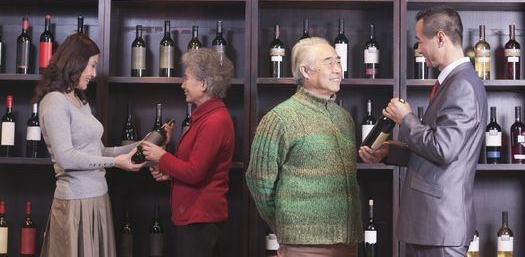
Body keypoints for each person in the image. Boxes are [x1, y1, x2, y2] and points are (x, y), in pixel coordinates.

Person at [360, 7, 487, 256]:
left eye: (420, 41)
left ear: (440, 37)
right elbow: (437, 150)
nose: (418, 50)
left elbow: (444, 149)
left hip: (440, 225)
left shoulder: (462, 85)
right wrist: (388, 153)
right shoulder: (453, 82)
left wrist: (405, 118)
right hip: (432, 225)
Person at [246, 37, 362, 257]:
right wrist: (288, 223)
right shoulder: (280, 118)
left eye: (339, 62)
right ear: (305, 71)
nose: (338, 69)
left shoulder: (344, 118)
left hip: (348, 243)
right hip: (303, 246)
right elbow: (258, 179)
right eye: (329, 63)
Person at [34, 33, 144, 257]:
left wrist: (141, 144)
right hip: (75, 204)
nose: (94, 74)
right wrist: (115, 162)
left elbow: (98, 151)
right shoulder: (54, 101)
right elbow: (66, 157)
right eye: (92, 66)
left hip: (97, 199)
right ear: (76, 62)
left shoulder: (79, 100)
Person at [142, 48, 235, 257]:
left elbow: (195, 172)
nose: (182, 85)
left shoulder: (214, 121)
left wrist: (161, 157)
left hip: (200, 220)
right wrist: (169, 172)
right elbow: (194, 166)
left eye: (186, 78)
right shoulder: (205, 117)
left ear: (203, 84)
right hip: (194, 217)